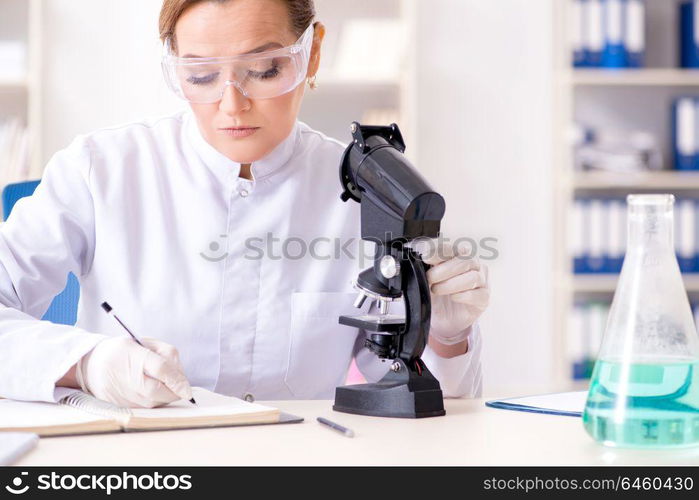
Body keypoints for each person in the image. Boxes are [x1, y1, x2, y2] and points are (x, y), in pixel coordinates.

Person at [0, 0, 489, 408]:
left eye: (263, 69)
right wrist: (85, 364)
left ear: (312, 53)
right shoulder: (100, 170)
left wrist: (444, 336)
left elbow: (416, 410)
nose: (232, 105)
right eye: (201, 76)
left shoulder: (369, 190)